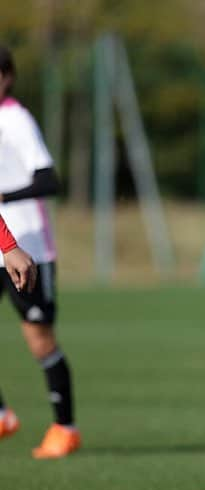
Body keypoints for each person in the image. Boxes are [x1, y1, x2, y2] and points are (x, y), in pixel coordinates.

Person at [0, 45, 80, 459]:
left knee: (39, 340)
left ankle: (65, 427)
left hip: (27, 246)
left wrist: (3, 195)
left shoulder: (15, 120)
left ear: (6, 77)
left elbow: (49, 180)